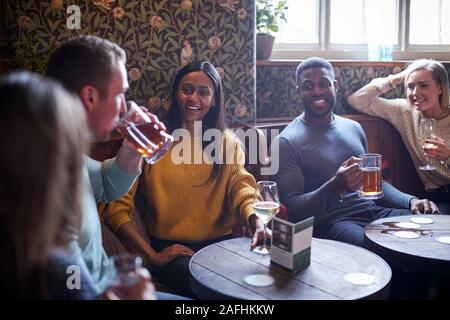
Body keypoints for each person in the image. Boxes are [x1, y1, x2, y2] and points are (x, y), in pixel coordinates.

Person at [101, 61, 267, 297]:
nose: (193, 98)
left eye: (203, 92)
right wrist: (153, 256)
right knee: (213, 287)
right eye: (186, 89)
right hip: (173, 252)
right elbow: (116, 206)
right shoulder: (152, 140)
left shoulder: (227, 142)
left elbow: (243, 189)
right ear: (176, 93)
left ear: (215, 100)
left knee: (261, 282)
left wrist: (258, 222)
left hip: (222, 247)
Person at [45, 35, 172, 299]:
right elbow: (72, 290)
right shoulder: (47, 183)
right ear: (90, 97)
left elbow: (107, 185)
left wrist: (133, 147)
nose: (125, 106)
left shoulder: (65, 153)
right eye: (121, 94)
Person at [273, 57, 438, 248]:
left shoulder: (353, 128)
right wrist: (334, 186)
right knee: (382, 247)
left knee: (431, 225)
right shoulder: (285, 142)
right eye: (308, 86)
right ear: (299, 91)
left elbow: (375, 184)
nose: (316, 91)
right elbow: (293, 211)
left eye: (324, 83)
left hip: (372, 213)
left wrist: (411, 201)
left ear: (335, 86)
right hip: (332, 223)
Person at [347, 59, 450, 213]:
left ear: (440, 88)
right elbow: (357, 100)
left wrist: (448, 156)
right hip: (437, 197)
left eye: (424, 85)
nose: (415, 93)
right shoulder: (404, 112)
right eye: (410, 86)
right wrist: (396, 78)